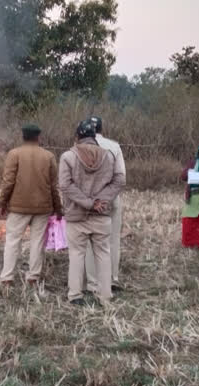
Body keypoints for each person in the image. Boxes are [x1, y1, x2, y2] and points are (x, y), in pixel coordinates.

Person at [59, 120, 125, 306]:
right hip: (101, 216)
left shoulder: (67, 157)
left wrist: (88, 203)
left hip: (76, 215)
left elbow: (65, 185)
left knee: (77, 254)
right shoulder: (109, 156)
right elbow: (120, 180)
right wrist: (101, 201)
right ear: (94, 137)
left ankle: (75, 295)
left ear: (77, 137)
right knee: (103, 254)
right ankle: (105, 296)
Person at [0, 124, 62, 285]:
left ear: (23, 137)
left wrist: (2, 203)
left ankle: (7, 277)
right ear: (38, 137)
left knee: (13, 241)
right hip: (43, 207)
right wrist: (58, 207)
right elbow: (54, 185)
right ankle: (33, 276)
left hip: (18, 207)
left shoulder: (14, 154)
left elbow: (8, 182)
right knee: (37, 242)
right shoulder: (48, 156)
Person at [84, 116, 126, 292]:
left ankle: (93, 283)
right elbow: (121, 177)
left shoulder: (80, 147)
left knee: (89, 242)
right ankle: (112, 279)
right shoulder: (114, 146)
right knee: (112, 239)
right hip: (111, 199)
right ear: (102, 129)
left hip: (88, 200)